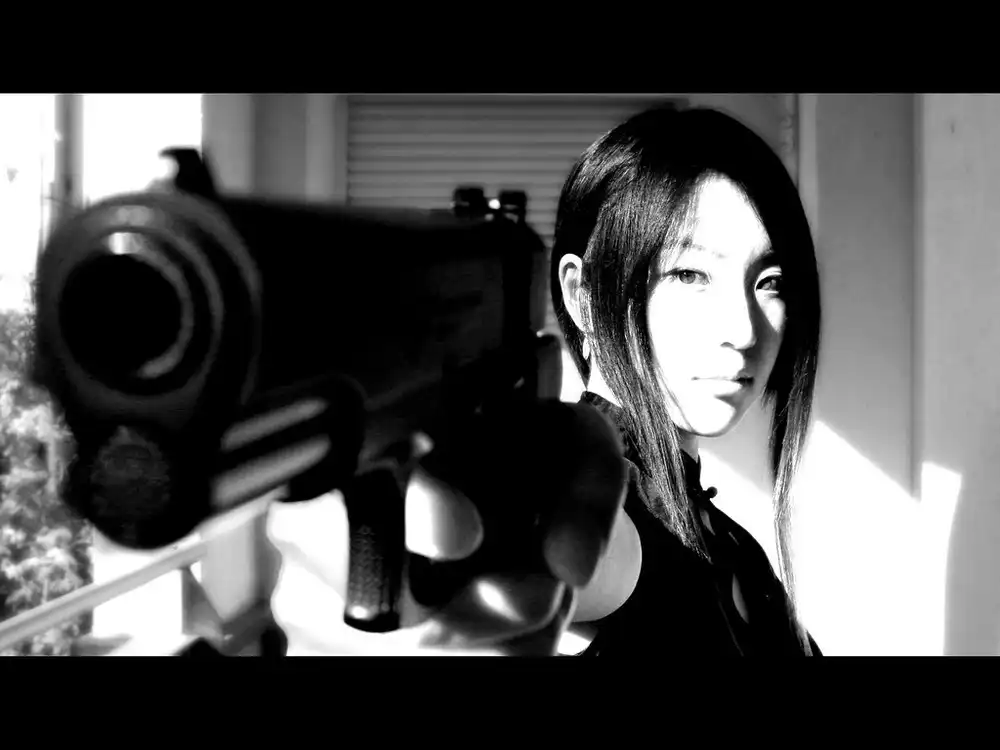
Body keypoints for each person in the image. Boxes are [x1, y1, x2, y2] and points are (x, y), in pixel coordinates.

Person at [266, 102, 823, 656]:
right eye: (689, 274)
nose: (743, 330)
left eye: (770, 281)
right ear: (583, 296)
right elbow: (568, 541)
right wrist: (467, 541)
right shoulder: (611, 510)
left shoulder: (728, 540)